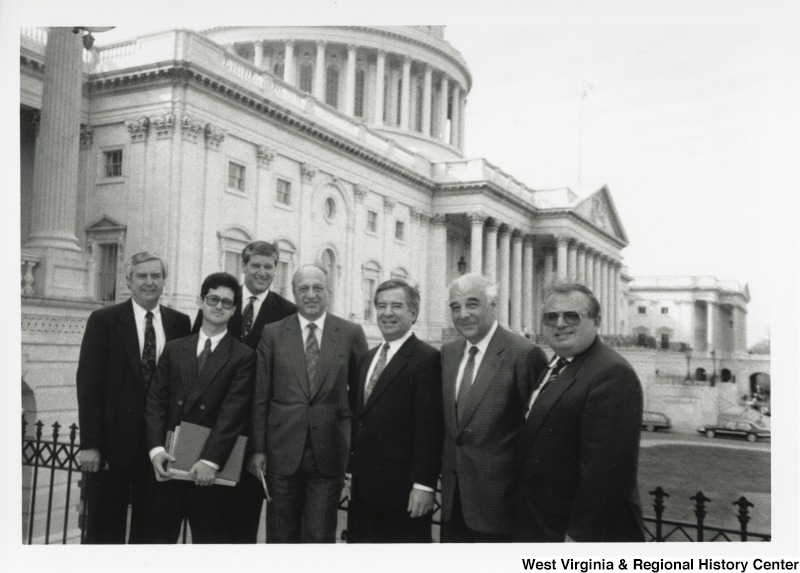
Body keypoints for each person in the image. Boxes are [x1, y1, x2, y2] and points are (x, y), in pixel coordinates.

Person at [514, 283, 645, 542]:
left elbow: (607, 473)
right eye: (551, 317)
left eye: (571, 316)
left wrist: (579, 537)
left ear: (596, 322)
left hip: (572, 532)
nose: (559, 323)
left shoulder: (612, 373)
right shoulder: (557, 363)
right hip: (539, 521)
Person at [76, 251, 191, 544]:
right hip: (113, 445)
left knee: (155, 531)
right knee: (104, 532)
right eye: (142, 276)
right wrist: (90, 444)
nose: (149, 282)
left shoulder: (180, 323)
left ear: (165, 280)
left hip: (160, 444)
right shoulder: (105, 320)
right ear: (128, 280)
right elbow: (89, 384)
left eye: (156, 276)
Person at [249, 264, 368, 543]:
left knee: (318, 536)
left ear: (329, 292)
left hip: (329, 453)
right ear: (293, 292)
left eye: (318, 288)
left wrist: (353, 453)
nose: (311, 294)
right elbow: (260, 395)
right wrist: (258, 449)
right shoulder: (273, 333)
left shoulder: (350, 333)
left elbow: (361, 399)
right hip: (281, 451)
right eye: (303, 288)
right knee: (280, 536)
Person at [192, 240, 297, 543]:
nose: (262, 272)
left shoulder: (287, 312)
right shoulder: (220, 301)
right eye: (256, 265)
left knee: (243, 528)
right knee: (207, 525)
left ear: (276, 269)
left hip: (254, 436)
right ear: (244, 266)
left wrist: (261, 445)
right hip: (212, 431)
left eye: (269, 266)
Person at [144, 272, 256, 543]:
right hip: (169, 465)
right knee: (158, 546)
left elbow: (233, 413)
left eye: (227, 303)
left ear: (233, 311)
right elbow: (156, 402)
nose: (219, 306)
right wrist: (156, 450)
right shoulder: (174, 349)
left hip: (209, 473)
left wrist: (210, 461)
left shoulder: (243, 356)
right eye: (213, 299)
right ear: (200, 301)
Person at [440, 273, 548, 542]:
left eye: (472, 304)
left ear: (494, 305)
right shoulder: (448, 354)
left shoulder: (524, 354)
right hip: (453, 506)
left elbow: (536, 437)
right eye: (455, 307)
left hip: (500, 508)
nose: (463, 314)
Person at [347, 279, 444, 543]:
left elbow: (430, 428)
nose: (387, 312)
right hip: (363, 490)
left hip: (403, 493)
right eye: (381, 306)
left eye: (396, 306)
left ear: (413, 313)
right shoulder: (368, 358)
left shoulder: (426, 359)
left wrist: (424, 485)